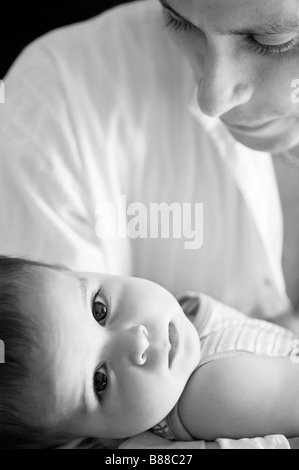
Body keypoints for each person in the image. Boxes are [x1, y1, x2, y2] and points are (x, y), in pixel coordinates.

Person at [1, 0, 299, 449]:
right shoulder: (59, 101)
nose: (212, 98)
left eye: (272, 39)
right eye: (180, 21)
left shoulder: (188, 323)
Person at [0, 255, 298, 449]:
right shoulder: (209, 395)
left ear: (73, 269)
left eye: (99, 309)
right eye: (100, 382)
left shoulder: (186, 322)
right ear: (79, 441)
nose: (137, 342)